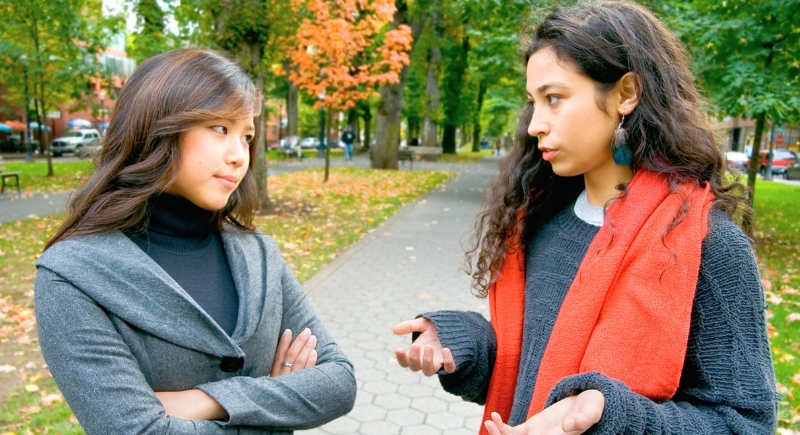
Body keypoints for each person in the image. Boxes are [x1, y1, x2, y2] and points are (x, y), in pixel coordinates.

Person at [392, 3, 777, 434]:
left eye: (554, 98)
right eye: (533, 102)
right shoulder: (539, 222)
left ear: (626, 94)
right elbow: (529, 375)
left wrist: (610, 418)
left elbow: (746, 423)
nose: (535, 124)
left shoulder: (706, 244)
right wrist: (462, 342)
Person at [34, 49, 356, 434]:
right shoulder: (72, 276)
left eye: (247, 136)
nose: (239, 156)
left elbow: (339, 381)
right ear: (157, 126)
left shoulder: (259, 254)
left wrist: (204, 401)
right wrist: (279, 398)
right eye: (220, 128)